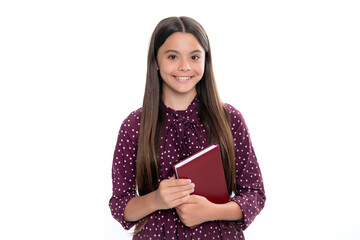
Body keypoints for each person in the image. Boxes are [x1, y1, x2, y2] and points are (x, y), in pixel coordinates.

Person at [109, 16, 266, 239]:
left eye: (194, 57)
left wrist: (212, 211)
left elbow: (254, 193)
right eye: (172, 56)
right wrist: (156, 199)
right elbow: (120, 205)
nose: (184, 66)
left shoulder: (230, 119)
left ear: (205, 60)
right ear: (155, 61)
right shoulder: (134, 125)